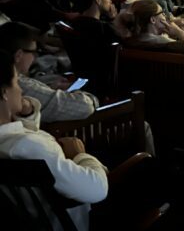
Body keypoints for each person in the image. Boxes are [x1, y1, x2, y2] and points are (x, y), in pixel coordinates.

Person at [0, 51, 109, 231]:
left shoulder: (14, 143)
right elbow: (97, 189)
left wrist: (26, 112)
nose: (20, 89)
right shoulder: (30, 147)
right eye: (15, 82)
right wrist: (80, 154)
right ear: (4, 92)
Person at [0, 21, 99, 122]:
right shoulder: (22, 85)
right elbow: (85, 107)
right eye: (33, 52)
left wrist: (49, 89)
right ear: (18, 55)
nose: (35, 57)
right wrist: (76, 92)